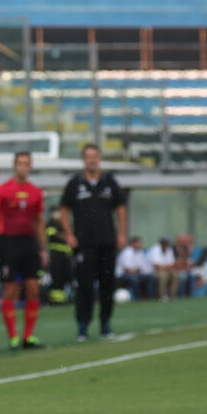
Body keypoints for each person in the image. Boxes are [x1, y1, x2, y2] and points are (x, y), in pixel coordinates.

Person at [59, 143, 127, 341]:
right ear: (83, 159)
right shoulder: (74, 183)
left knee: (107, 285)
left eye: (95, 156)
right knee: (84, 287)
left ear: (99, 159)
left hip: (107, 242)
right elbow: (64, 209)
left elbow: (121, 207)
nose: (92, 160)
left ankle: (105, 323)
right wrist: (69, 234)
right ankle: (82, 325)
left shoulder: (110, 181)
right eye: (88, 156)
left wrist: (122, 233)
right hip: (84, 244)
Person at [0, 152, 48, 350]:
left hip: (29, 243)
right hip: (8, 243)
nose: (23, 167)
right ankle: (13, 336)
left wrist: (43, 248)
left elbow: (39, 221)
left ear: (30, 167)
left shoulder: (36, 192)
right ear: (14, 166)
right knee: (10, 289)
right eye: (20, 163)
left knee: (33, 288)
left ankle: (28, 336)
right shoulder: (2, 190)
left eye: (26, 164)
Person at [45, 208, 73, 304]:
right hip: (56, 255)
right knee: (57, 277)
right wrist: (66, 236)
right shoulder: (50, 225)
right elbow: (53, 234)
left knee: (68, 276)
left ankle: (67, 297)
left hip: (67, 256)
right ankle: (56, 300)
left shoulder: (66, 225)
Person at [116, 236, 154, 300]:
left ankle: (150, 298)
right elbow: (127, 270)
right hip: (121, 276)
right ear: (132, 244)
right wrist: (137, 271)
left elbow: (140, 268)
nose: (140, 244)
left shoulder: (140, 252)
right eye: (138, 243)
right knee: (134, 279)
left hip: (134, 274)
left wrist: (137, 271)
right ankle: (138, 299)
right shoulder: (127, 252)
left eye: (140, 243)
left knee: (149, 277)